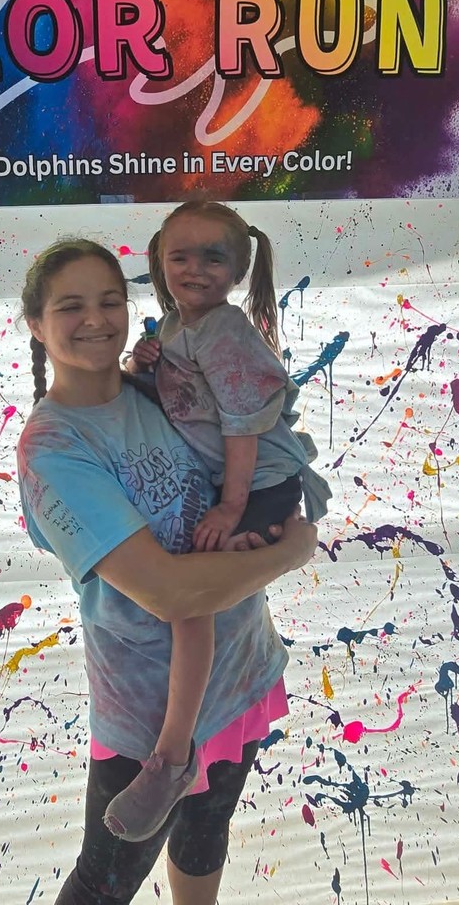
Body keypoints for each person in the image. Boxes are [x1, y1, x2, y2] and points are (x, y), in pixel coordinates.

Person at [17, 237, 319, 905]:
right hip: (148, 718)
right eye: (70, 306)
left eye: (108, 300)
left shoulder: (156, 391)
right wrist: (291, 552)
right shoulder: (55, 449)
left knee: (206, 830)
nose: (95, 318)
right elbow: (166, 592)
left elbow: (245, 428)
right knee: (105, 880)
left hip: (238, 666)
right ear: (35, 324)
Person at [104, 201, 332, 841]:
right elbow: (186, 406)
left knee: (192, 592)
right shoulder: (181, 326)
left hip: (258, 480)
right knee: (194, 592)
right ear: (158, 261)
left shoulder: (225, 329)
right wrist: (142, 371)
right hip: (234, 481)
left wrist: (233, 508)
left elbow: (242, 425)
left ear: (238, 268)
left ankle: (173, 756)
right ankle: (185, 745)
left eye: (213, 257)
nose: (194, 269)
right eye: (180, 256)